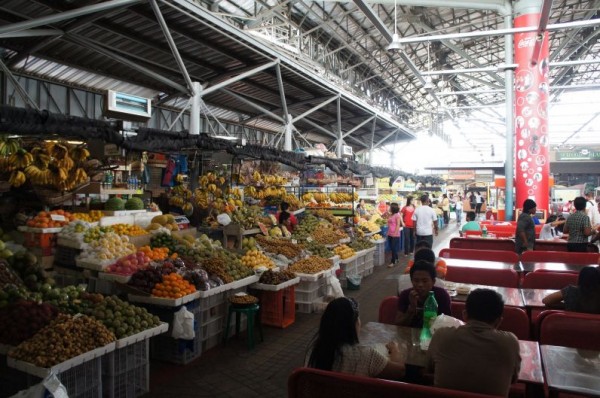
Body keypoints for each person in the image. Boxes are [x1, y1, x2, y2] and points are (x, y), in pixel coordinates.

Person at [426, 289, 521, 397]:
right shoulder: (510, 342)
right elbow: (513, 379)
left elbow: (429, 368)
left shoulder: (442, 335)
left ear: (465, 315)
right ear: (499, 321)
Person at [306, 297, 405, 379]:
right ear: (354, 324)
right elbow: (400, 372)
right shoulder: (366, 355)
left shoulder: (314, 350)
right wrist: (394, 349)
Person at [395, 260, 451, 328]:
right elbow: (398, 325)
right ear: (411, 280)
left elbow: (447, 325)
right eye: (416, 280)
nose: (420, 285)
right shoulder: (405, 295)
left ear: (433, 281)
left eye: (425, 281)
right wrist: (411, 309)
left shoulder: (442, 295)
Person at [386, 202, 404, 268]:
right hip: (390, 233)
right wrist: (388, 232)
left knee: (393, 248)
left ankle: (393, 262)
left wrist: (395, 233)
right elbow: (389, 224)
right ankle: (396, 258)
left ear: (393, 208)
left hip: (395, 234)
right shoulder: (391, 215)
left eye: (390, 207)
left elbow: (398, 225)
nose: (389, 208)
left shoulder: (397, 215)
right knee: (392, 248)